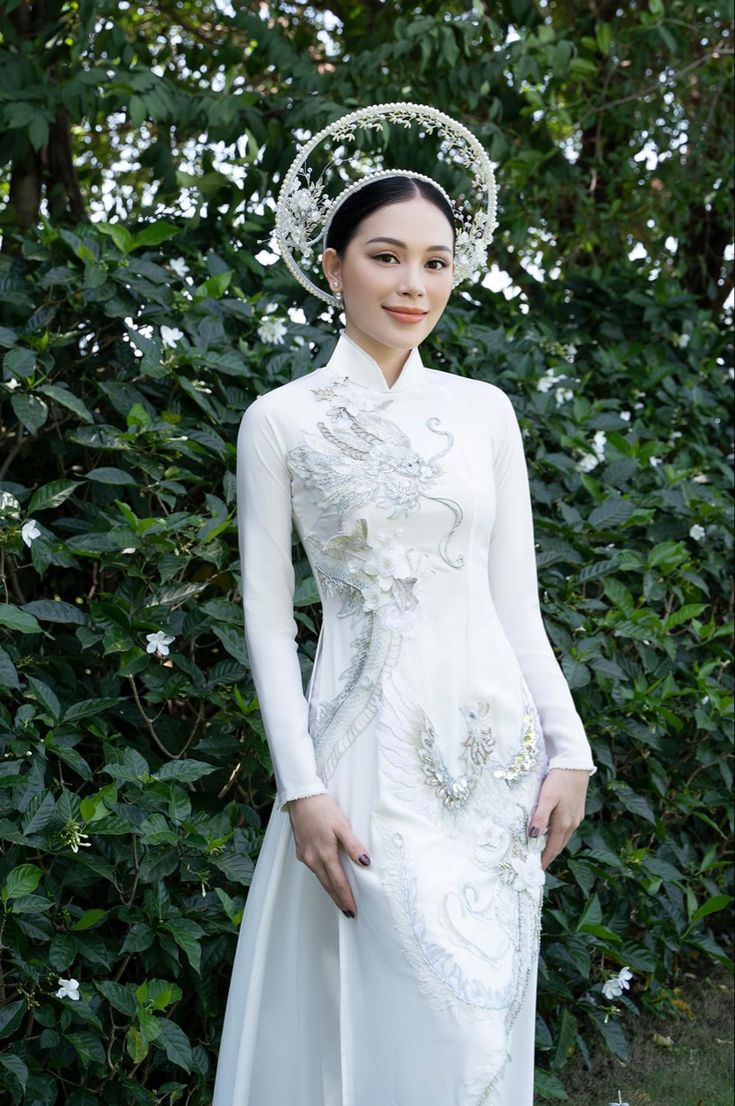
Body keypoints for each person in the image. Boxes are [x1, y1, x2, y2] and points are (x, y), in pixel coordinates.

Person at [212, 104, 596, 1106]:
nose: (414, 283)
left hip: (495, 752)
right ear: (334, 264)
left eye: (436, 261)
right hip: (362, 750)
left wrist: (573, 749)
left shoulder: (486, 412)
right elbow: (266, 619)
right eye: (387, 257)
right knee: (382, 998)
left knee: (481, 1015)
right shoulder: (280, 421)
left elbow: (520, 602)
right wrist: (302, 788)